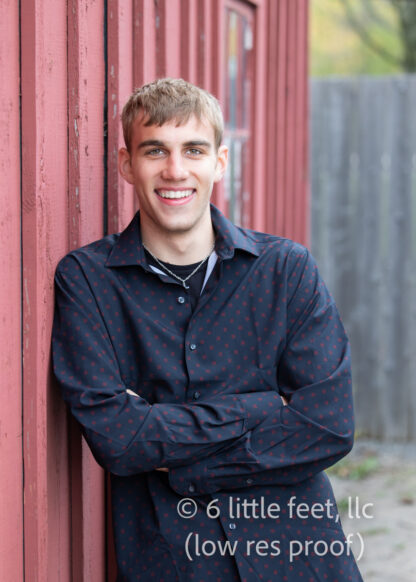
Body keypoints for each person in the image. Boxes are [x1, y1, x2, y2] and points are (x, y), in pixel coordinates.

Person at [52, 78, 363, 581]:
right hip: (175, 562)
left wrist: (179, 458)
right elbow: (120, 440)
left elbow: (329, 425)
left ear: (219, 162)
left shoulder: (284, 269)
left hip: (298, 557)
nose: (175, 170)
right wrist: (266, 407)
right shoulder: (88, 281)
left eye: (193, 150)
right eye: (156, 150)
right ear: (127, 164)